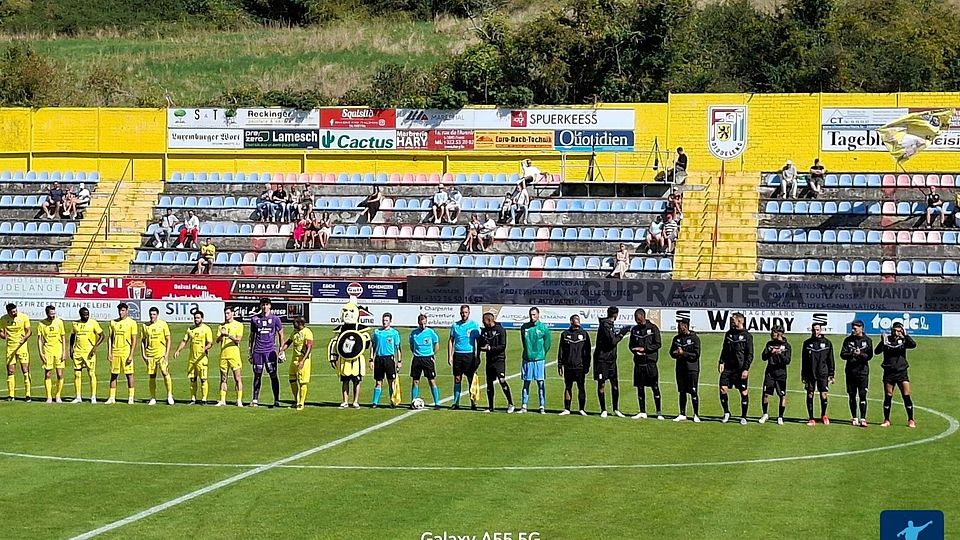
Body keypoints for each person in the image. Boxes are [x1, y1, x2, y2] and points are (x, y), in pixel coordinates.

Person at [874, 321, 917, 428]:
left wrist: (906, 335)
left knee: (906, 395)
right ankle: (886, 420)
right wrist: (882, 342)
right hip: (889, 372)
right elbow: (876, 351)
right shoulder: (887, 339)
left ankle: (911, 420)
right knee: (888, 396)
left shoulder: (904, 340)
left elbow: (913, 345)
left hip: (902, 372)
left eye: (899, 330)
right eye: (895, 330)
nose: (896, 332)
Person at [329, 300, 370, 408]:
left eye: (351, 311)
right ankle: (345, 401)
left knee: (356, 381)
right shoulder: (341, 328)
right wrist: (333, 358)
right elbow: (335, 343)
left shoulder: (360, 328)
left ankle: (355, 401)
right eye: (345, 311)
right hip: (344, 359)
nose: (348, 313)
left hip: (356, 360)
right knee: (345, 381)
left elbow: (366, 342)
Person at [594, 306, 630, 418]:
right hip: (602, 359)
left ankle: (615, 409)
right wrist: (622, 333)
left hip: (611, 360)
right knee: (602, 384)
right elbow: (612, 341)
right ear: (616, 314)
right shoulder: (605, 325)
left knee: (615, 385)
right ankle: (603, 409)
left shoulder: (610, 325)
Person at [248, 298, 284, 408]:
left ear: (270, 306)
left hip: (270, 352)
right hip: (258, 352)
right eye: (263, 305)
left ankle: (276, 400)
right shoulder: (254, 319)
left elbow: (281, 334)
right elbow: (252, 336)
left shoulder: (275, 319)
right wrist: (250, 351)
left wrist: (281, 351)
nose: (264, 307)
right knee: (257, 375)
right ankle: (255, 400)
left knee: (273, 375)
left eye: (267, 305)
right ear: (260, 306)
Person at [718, 312, 753, 424]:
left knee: (743, 392)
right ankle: (727, 412)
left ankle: (743, 416)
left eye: (733, 320)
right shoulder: (729, 334)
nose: (731, 321)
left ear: (740, 321)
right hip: (728, 368)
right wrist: (721, 362)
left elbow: (750, 354)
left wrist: (746, 369)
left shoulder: (747, 336)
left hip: (740, 369)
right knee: (723, 389)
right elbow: (724, 349)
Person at [628, 308, 662, 420]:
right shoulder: (634, 330)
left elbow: (658, 344)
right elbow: (631, 345)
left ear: (642, 316)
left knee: (655, 387)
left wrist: (644, 349)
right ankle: (642, 411)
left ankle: (658, 412)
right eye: (635, 319)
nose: (636, 321)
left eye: (638, 319)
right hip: (638, 363)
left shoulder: (653, 328)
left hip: (650, 363)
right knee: (640, 387)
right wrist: (635, 351)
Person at [175, 310, 213, 405]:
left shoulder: (206, 329)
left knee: (203, 379)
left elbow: (210, 343)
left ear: (202, 318)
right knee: (192, 379)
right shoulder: (190, 329)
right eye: (195, 318)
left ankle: (204, 399)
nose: (196, 319)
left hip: (202, 359)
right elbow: (184, 341)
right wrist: (178, 350)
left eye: (198, 318)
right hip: (192, 359)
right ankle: (193, 399)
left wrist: (205, 348)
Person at [479, 311, 514, 413]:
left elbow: (502, 346)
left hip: (499, 359)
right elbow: (481, 343)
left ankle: (511, 403)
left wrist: (490, 348)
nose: (483, 323)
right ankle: (490, 407)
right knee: (489, 383)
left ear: (490, 320)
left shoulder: (500, 330)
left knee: (502, 380)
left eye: (484, 321)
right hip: (489, 360)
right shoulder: (484, 331)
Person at [840, 320, 873, 427]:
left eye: (855, 328)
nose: (853, 330)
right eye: (852, 328)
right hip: (850, 371)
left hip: (863, 372)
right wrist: (852, 353)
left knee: (863, 395)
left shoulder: (868, 340)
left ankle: (863, 418)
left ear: (861, 328)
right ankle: (854, 417)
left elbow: (870, 356)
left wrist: (861, 355)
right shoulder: (848, 340)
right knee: (852, 395)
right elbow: (842, 354)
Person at [801, 322, 835, 426]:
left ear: (821, 330)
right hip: (810, 373)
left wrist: (831, 374)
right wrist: (803, 375)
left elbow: (831, 360)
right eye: (814, 330)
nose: (816, 332)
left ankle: (823, 415)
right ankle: (811, 418)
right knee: (810, 394)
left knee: (823, 394)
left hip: (823, 373)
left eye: (817, 329)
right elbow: (804, 360)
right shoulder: (807, 343)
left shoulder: (827, 343)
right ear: (811, 330)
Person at [448, 304, 481, 410]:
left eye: (465, 312)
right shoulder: (455, 326)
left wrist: (478, 355)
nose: (464, 314)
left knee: (471, 379)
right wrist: (450, 356)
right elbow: (451, 340)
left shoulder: (474, 325)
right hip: (458, 355)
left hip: (469, 355)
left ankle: (473, 403)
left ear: (469, 312)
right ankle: (456, 402)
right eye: (462, 312)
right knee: (457, 379)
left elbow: (479, 341)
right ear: (460, 313)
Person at [519, 307, 551, 414]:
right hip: (527, 359)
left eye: (534, 315)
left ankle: (542, 406)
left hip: (539, 359)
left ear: (538, 315)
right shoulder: (524, 327)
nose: (532, 317)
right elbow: (524, 342)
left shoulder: (543, 328)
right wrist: (528, 352)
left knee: (540, 383)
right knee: (526, 382)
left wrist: (541, 354)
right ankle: (524, 405)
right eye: (531, 315)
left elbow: (547, 344)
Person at [669, 315, 701, 422]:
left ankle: (696, 414)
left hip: (692, 369)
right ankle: (682, 413)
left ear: (686, 327)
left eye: (680, 327)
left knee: (693, 391)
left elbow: (696, 355)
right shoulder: (676, 339)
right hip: (680, 368)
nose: (678, 329)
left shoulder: (694, 338)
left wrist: (683, 353)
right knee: (682, 391)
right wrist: (676, 353)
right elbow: (671, 353)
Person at [106, 303, 139, 405]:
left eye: (123, 310)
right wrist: (109, 352)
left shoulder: (132, 323)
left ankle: (131, 397)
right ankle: (112, 397)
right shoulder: (113, 323)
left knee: (129, 375)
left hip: (126, 352)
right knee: (114, 375)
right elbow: (110, 338)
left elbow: (134, 340)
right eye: (120, 310)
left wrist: (131, 354)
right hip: (116, 352)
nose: (121, 312)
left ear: (127, 311)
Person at [140, 306, 174, 406]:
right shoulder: (145, 326)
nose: (152, 316)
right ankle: (153, 397)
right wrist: (143, 355)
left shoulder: (163, 324)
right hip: (150, 355)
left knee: (164, 372)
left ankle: (169, 395)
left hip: (161, 354)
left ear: (157, 315)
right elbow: (142, 341)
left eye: (154, 314)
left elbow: (168, 339)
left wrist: (166, 354)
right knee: (152, 376)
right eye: (151, 314)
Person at [558, 314, 590, 416]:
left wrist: (587, 365)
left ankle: (581, 409)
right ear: (571, 322)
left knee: (581, 387)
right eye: (576, 321)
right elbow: (561, 351)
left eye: (578, 321)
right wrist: (560, 365)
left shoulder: (584, 334)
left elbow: (588, 351)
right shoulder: (564, 334)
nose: (578, 323)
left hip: (580, 366)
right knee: (568, 387)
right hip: (568, 366)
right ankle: (567, 409)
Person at [70, 307, 103, 403]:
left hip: (89, 353)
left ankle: (93, 396)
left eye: (88, 314)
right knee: (77, 374)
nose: (87, 316)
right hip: (78, 352)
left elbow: (102, 335)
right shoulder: (75, 324)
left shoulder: (93, 323)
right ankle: (78, 397)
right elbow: (72, 337)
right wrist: (71, 349)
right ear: (80, 315)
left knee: (91, 373)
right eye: (84, 315)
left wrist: (95, 347)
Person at [408, 314, 441, 409]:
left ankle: (437, 403)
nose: (423, 325)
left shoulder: (430, 332)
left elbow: (436, 343)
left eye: (425, 323)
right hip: (417, 359)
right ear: (418, 322)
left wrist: (433, 355)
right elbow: (411, 345)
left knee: (431, 380)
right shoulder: (413, 333)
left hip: (428, 359)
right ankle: (413, 402)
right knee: (415, 381)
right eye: (421, 324)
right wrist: (416, 353)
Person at [760, 326, 791, 425]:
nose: (772, 334)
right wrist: (770, 352)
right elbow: (763, 357)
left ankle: (780, 416)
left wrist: (779, 353)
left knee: (782, 395)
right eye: (772, 331)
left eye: (774, 332)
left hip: (781, 373)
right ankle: (765, 414)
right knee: (765, 394)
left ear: (780, 333)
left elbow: (787, 361)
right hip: (770, 373)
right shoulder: (769, 344)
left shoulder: (787, 346)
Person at [370, 313, 402, 408]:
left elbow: (398, 348)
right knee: (378, 381)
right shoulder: (377, 332)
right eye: (383, 320)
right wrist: (371, 359)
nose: (384, 322)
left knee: (391, 381)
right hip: (379, 359)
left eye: (387, 320)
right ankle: (375, 402)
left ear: (390, 321)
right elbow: (373, 346)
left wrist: (399, 361)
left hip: (389, 359)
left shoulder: (394, 333)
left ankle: (392, 401)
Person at [281, 316, 313, 411]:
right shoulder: (294, 332)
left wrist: (303, 361)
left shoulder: (307, 332)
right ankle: (296, 400)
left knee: (302, 382)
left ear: (300, 323)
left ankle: (301, 403)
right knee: (292, 379)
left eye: (294, 323)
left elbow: (309, 348)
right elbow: (289, 342)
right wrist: (281, 351)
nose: (292, 324)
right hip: (294, 360)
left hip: (303, 360)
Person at [2, 303, 32, 401]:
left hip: (22, 347)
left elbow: (29, 331)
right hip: (10, 348)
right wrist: (3, 335)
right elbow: (0, 331)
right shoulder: (3, 319)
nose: (15, 313)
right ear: (8, 312)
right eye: (12, 312)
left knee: (25, 370)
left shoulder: (23, 317)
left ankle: (28, 395)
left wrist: (24, 338)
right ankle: (11, 395)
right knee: (10, 371)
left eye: (15, 311)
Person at [37, 305, 66, 404]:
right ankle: (49, 396)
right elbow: (40, 340)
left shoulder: (59, 322)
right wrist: (41, 353)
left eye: (54, 314)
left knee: (60, 374)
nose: (53, 316)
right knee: (48, 373)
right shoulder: (41, 324)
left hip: (58, 350)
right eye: (51, 314)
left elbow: (63, 337)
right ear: (47, 313)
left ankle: (58, 395)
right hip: (48, 351)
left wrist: (64, 351)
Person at [216, 306, 244, 407]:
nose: (226, 315)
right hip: (223, 355)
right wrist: (221, 336)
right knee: (223, 378)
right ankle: (222, 400)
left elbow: (238, 340)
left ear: (233, 313)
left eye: (228, 313)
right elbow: (217, 340)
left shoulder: (239, 325)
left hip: (234, 355)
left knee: (237, 378)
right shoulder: (221, 326)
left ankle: (239, 400)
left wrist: (228, 335)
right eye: (225, 313)